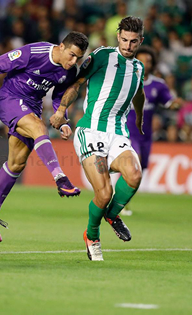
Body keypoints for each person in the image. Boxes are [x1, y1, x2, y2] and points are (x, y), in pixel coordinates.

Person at [0, 32, 89, 243]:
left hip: (32, 106)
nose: (73, 61)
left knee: (16, 163)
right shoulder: (34, 52)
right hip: (10, 99)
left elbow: (59, 96)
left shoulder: (69, 71)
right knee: (39, 128)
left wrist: (64, 119)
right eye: (71, 55)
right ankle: (60, 178)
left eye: (78, 58)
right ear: (61, 46)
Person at [50, 17, 145, 261]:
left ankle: (112, 215)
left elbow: (138, 94)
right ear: (118, 37)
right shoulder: (102, 55)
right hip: (91, 133)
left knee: (134, 174)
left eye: (133, 41)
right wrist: (61, 111)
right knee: (104, 193)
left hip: (118, 134)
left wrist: (139, 118)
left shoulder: (139, 68)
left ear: (140, 41)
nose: (128, 45)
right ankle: (92, 235)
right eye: (124, 39)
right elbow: (77, 84)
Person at [123, 45, 183, 214]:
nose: (145, 63)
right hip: (127, 131)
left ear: (153, 64)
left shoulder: (158, 84)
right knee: (133, 164)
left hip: (146, 135)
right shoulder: (125, 81)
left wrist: (176, 104)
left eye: (148, 61)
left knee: (140, 170)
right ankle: (120, 202)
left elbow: (169, 102)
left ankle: (121, 196)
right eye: (141, 60)